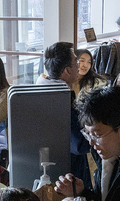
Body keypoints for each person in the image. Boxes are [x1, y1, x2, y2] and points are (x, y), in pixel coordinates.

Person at [37, 42, 93, 188]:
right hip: (67, 174)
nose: (79, 66)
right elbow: (78, 144)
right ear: (67, 71)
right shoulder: (59, 99)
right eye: (76, 62)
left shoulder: (41, 89)